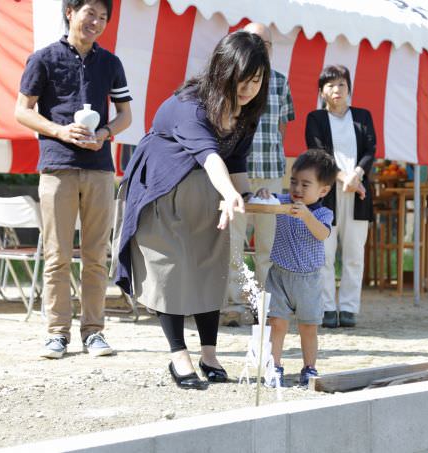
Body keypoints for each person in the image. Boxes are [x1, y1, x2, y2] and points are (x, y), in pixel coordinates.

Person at [116, 31, 270, 390]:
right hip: (161, 190)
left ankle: (209, 354)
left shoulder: (247, 112)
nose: (248, 89)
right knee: (171, 269)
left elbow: (235, 160)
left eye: (257, 80)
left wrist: (247, 194)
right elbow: (210, 156)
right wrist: (230, 192)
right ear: (223, 71)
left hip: (207, 196)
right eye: (242, 79)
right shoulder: (191, 105)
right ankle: (178, 355)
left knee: (208, 267)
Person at [15, 0, 132, 359]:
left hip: (99, 168)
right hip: (56, 167)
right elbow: (22, 110)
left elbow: (126, 114)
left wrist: (107, 133)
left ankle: (94, 332)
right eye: (89, 13)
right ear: (70, 12)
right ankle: (57, 333)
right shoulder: (43, 58)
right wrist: (59, 132)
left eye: (102, 16)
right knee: (57, 256)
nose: (96, 21)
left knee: (97, 255)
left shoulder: (111, 63)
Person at [223, 22, 295, 327]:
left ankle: (262, 305)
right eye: (254, 40)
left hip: (269, 174)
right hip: (236, 174)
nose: (260, 46)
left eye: (265, 42)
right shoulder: (232, 82)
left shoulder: (280, 82)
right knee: (233, 243)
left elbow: (283, 127)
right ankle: (234, 305)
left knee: (268, 245)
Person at [259, 149, 338, 387]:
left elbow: (323, 233)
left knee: (308, 326)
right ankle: (274, 367)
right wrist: (263, 195)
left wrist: (306, 217)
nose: (297, 189)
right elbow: (266, 202)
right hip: (279, 275)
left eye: (306, 184)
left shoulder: (323, 212)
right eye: (294, 182)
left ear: (323, 190)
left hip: (309, 280)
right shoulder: (283, 203)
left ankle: (310, 367)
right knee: (277, 323)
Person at [305, 64, 375, 329]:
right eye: (331, 85)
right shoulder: (316, 119)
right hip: (327, 193)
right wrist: (344, 178)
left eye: (342, 84)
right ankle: (326, 308)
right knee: (324, 252)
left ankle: (348, 308)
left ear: (349, 88)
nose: (337, 89)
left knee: (354, 253)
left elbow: (371, 149)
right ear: (322, 91)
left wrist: (356, 175)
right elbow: (317, 153)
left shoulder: (362, 116)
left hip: (358, 194)